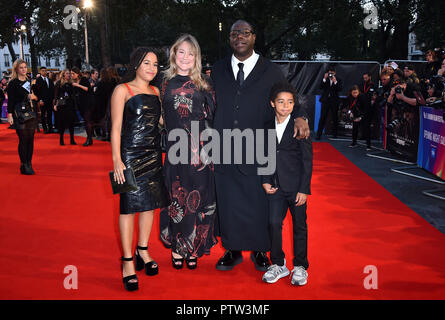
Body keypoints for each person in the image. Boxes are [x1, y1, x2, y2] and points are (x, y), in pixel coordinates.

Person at [211, 20, 310, 272]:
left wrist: (300, 115)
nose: (240, 37)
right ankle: (232, 250)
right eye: (235, 33)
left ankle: (259, 251)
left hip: (260, 148)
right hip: (225, 148)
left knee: (260, 201)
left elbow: (290, 97)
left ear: (254, 37)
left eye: (245, 32)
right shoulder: (218, 69)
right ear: (229, 39)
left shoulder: (271, 71)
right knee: (229, 201)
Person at [110, 47, 170, 291]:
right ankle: (127, 261)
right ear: (136, 64)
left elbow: (160, 122)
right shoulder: (121, 90)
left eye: (155, 64)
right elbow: (115, 128)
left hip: (154, 154)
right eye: (147, 63)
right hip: (129, 156)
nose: (152, 68)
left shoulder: (156, 91)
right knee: (128, 209)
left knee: (150, 205)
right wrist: (116, 160)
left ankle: (143, 251)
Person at [159, 34, 217, 270]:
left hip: (200, 152)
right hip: (175, 150)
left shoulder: (204, 83)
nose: (185, 57)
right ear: (174, 54)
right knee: (177, 199)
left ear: (196, 57)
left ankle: (193, 247)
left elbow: (213, 118)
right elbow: (159, 116)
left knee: (198, 199)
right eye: (181, 52)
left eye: (190, 53)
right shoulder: (163, 83)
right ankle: (177, 247)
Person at [261, 82, 312, 285]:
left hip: (296, 187)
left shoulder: (300, 126)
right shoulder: (266, 126)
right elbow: (263, 154)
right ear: (272, 103)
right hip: (275, 186)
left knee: (300, 226)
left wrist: (304, 189)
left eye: (290, 102)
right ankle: (278, 264)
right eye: (281, 102)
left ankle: (300, 266)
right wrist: (265, 179)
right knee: (273, 224)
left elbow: (307, 160)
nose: (285, 106)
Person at [6, 59, 38, 175]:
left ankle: (29, 163)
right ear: (16, 69)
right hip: (18, 114)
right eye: (21, 67)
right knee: (23, 140)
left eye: (25, 67)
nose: (24, 69)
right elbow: (11, 101)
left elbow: (35, 96)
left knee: (31, 140)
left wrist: (33, 97)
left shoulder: (29, 81)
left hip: (30, 113)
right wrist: (9, 115)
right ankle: (23, 164)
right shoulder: (13, 83)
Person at [316, 65, 342, 140]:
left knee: (335, 118)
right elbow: (320, 87)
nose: (331, 75)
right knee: (322, 117)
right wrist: (324, 78)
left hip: (334, 101)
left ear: (335, 73)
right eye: (329, 73)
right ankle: (318, 134)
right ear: (327, 73)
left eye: (332, 73)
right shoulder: (325, 79)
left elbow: (340, 89)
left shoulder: (338, 79)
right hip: (325, 101)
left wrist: (335, 81)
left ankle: (335, 134)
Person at [71, 67, 94, 146]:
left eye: (73, 73)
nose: (72, 75)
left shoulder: (83, 79)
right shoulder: (74, 81)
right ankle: (89, 138)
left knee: (87, 121)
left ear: (77, 73)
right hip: (80, 104)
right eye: (71, 74)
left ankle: (89, 139)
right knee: (86, 121)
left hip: (87, 103)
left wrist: (78, 85)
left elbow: (88, 89)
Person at [54, 69, 77, 146]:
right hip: (62, 105)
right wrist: (55, 104)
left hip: (70, 105)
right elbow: (56, 95)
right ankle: (61, 139)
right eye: (67, 73)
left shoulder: (71, 83)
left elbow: (73, 94)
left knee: (71, 123)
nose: (69, 75)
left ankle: (72, 139)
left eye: (69, 73)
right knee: (62, 123)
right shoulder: (59, 83)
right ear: (63, 74)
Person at [34, 66, 55, 133]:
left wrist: (53, 99)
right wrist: (39, 100)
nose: (44, 72)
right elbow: (37, 91)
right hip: (42, 100)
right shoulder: (38, 80)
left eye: (45, 70)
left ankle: (50, 128)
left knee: (49, 114)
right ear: (40, 72)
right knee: (43, 115)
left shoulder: (49, 80)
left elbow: (52, 90)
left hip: (50, 100)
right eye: (43, 71)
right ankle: (45, 129)